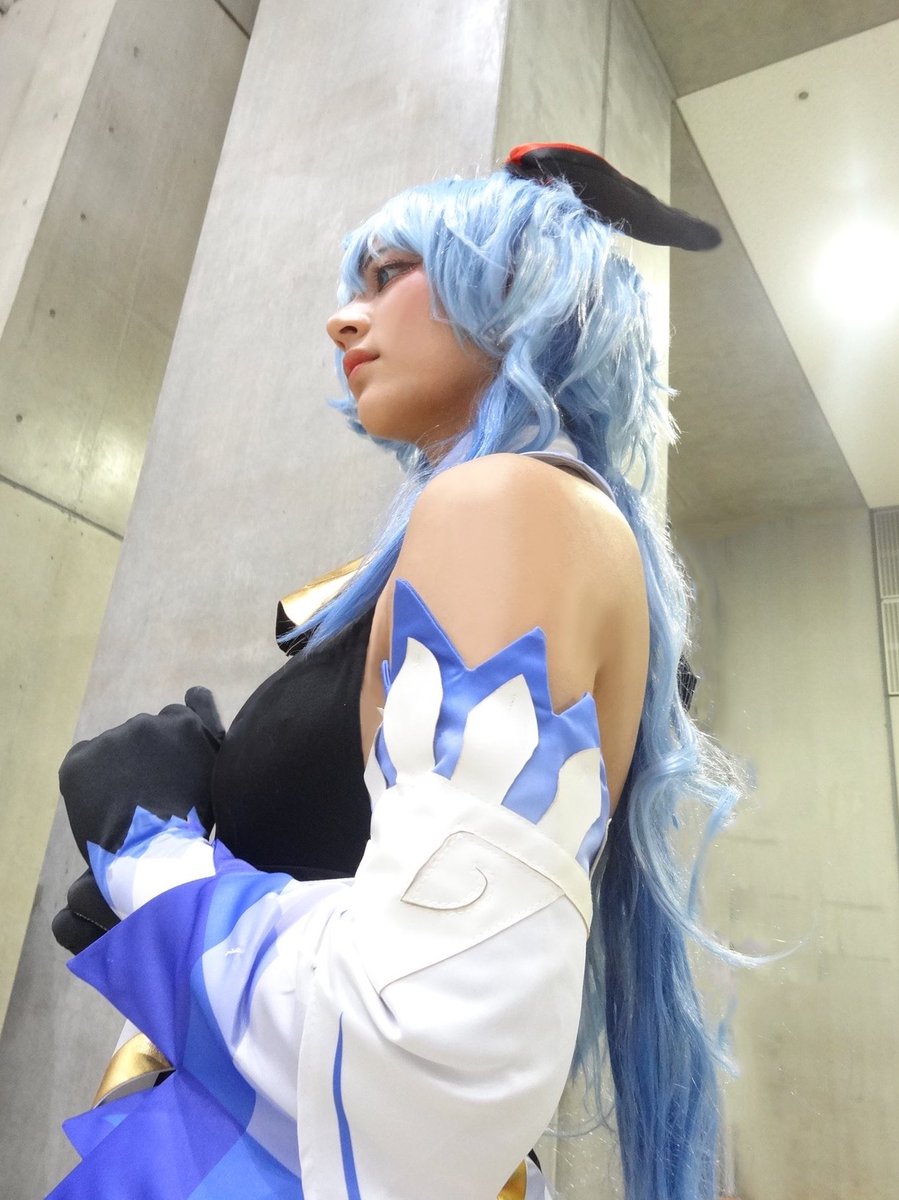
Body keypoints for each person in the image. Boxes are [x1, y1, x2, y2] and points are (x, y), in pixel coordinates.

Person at [48, 144, 738, 1200]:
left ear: (518, 283)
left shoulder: (508, 504)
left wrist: (149, 850)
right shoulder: (502, 526)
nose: (344, 319)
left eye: (389, 274)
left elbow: (420, 1054)